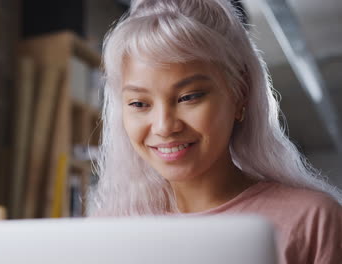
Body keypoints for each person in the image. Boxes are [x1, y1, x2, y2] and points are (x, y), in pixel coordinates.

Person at [86, 0, 342, 263]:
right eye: (139, 104)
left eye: (189, 97)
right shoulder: (105, 229)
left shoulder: (311, 221)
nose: (164, 126)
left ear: (240, 94)